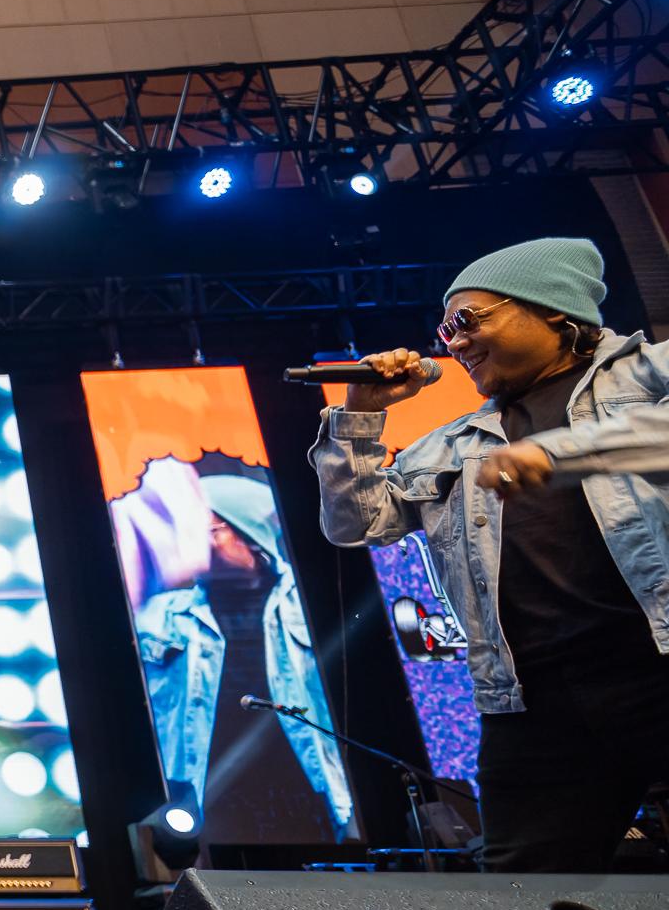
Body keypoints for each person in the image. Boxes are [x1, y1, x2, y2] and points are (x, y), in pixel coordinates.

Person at [316, 236, 669, 872]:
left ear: (554, 309)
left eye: (468, 320)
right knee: (524, 901)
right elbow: (354, 523)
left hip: (656, 666)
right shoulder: (454, 443)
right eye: (445, 330)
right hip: (532, 701)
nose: (454, 343)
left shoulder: (652, 374)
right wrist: (359, 416)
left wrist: (559, 453)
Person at [117, 461, 354, 845]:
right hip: (208, 799)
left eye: (210, 531)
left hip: (303, 791)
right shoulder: (160, 614)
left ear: (251, 537)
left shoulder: (308, 603)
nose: (197, 543)